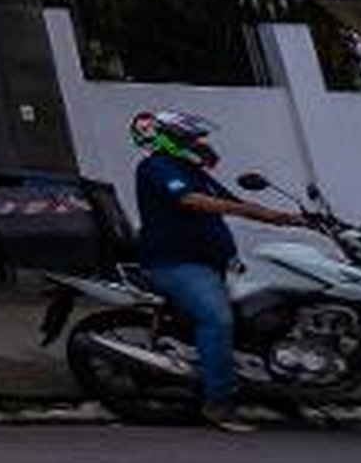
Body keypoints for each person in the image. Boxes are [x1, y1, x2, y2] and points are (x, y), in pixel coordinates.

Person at [129, 109, 303, 431]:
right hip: (177, 264)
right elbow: (193, 201)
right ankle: (218, 403)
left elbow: (232, 201)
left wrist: (290, 218)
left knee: (264, 311)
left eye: (198, 139)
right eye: (192, 139)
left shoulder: (192, 170)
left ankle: (271, 384)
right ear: (172, 140)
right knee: (217, 318)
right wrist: (257, 213)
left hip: (213, 264)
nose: (199, 144)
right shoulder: (156, 167)